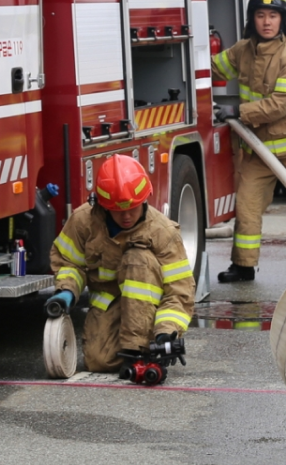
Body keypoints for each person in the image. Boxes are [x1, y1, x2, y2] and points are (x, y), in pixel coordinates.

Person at [45, 154, 195, 375]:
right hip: (110, 303)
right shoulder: (83, 221)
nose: (126, 216)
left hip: (148, 308)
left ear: (144, 199)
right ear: (103, 205)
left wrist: (165, 332)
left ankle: (140, 349)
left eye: (132, 208)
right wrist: (67, 290)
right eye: (118, 210)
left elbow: (180, 292)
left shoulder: (163, 232)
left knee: (138, 258)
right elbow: (69, 263)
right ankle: (139, 351)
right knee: (98, 362)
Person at [212, 0, 286, 283]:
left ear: (282, 20)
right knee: (246, 204)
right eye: (261, 15)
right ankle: (243, 266)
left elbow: (280, 106)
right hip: (259, 148)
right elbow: (212, 69)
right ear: (252, 19)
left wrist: (239, 113)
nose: (267, 21)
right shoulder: (243, 50)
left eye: (273, 15)